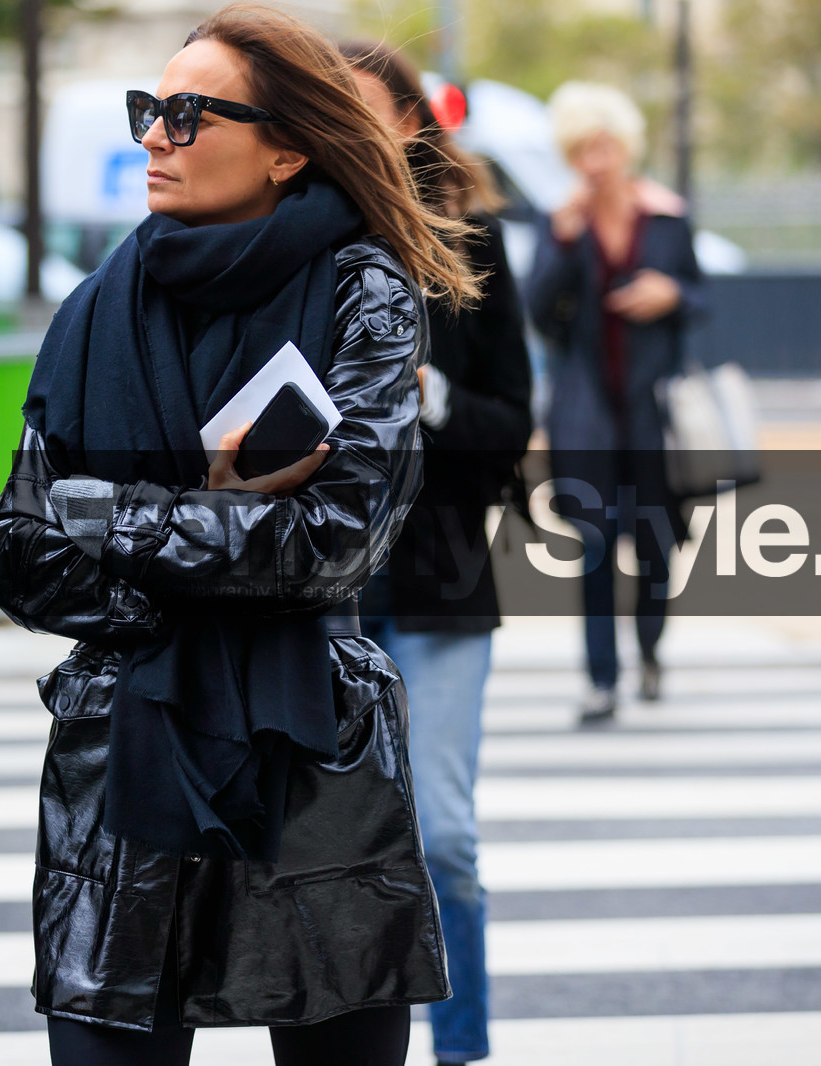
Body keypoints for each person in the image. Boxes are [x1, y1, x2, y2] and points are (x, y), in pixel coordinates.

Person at [0, 6, 482, 1063]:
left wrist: (110, 518)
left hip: (312, 759)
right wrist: (218, 524)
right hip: (121, 753)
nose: (154, 136)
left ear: (286, 147)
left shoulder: (364, 292)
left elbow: (335, 541)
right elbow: (18, 550)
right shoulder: (93, 309)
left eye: (187, 113)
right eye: (148, 111)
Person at [342, 42, 533, 1066]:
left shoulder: (470, 243)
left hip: (440, 575)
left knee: (443, 831)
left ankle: (459, 1047)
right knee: (339, 835)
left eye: (372, 113)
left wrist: (434, 396)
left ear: (413, 124)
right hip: (318, 588)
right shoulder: (295, 243)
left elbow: (511, 421)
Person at [525, 82, 703, 724]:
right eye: (580, 150)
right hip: (585, 411)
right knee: (594, 543)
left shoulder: (666, 216)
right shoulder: (560, 219)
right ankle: (602, 679)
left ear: (625, 146)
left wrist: (670, 294)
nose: (594, 162)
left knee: (656, 545)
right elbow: (539, 312)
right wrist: (566, 243)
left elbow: (701, 298)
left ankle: (650, 651)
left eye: (603, 146)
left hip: (653, 411)